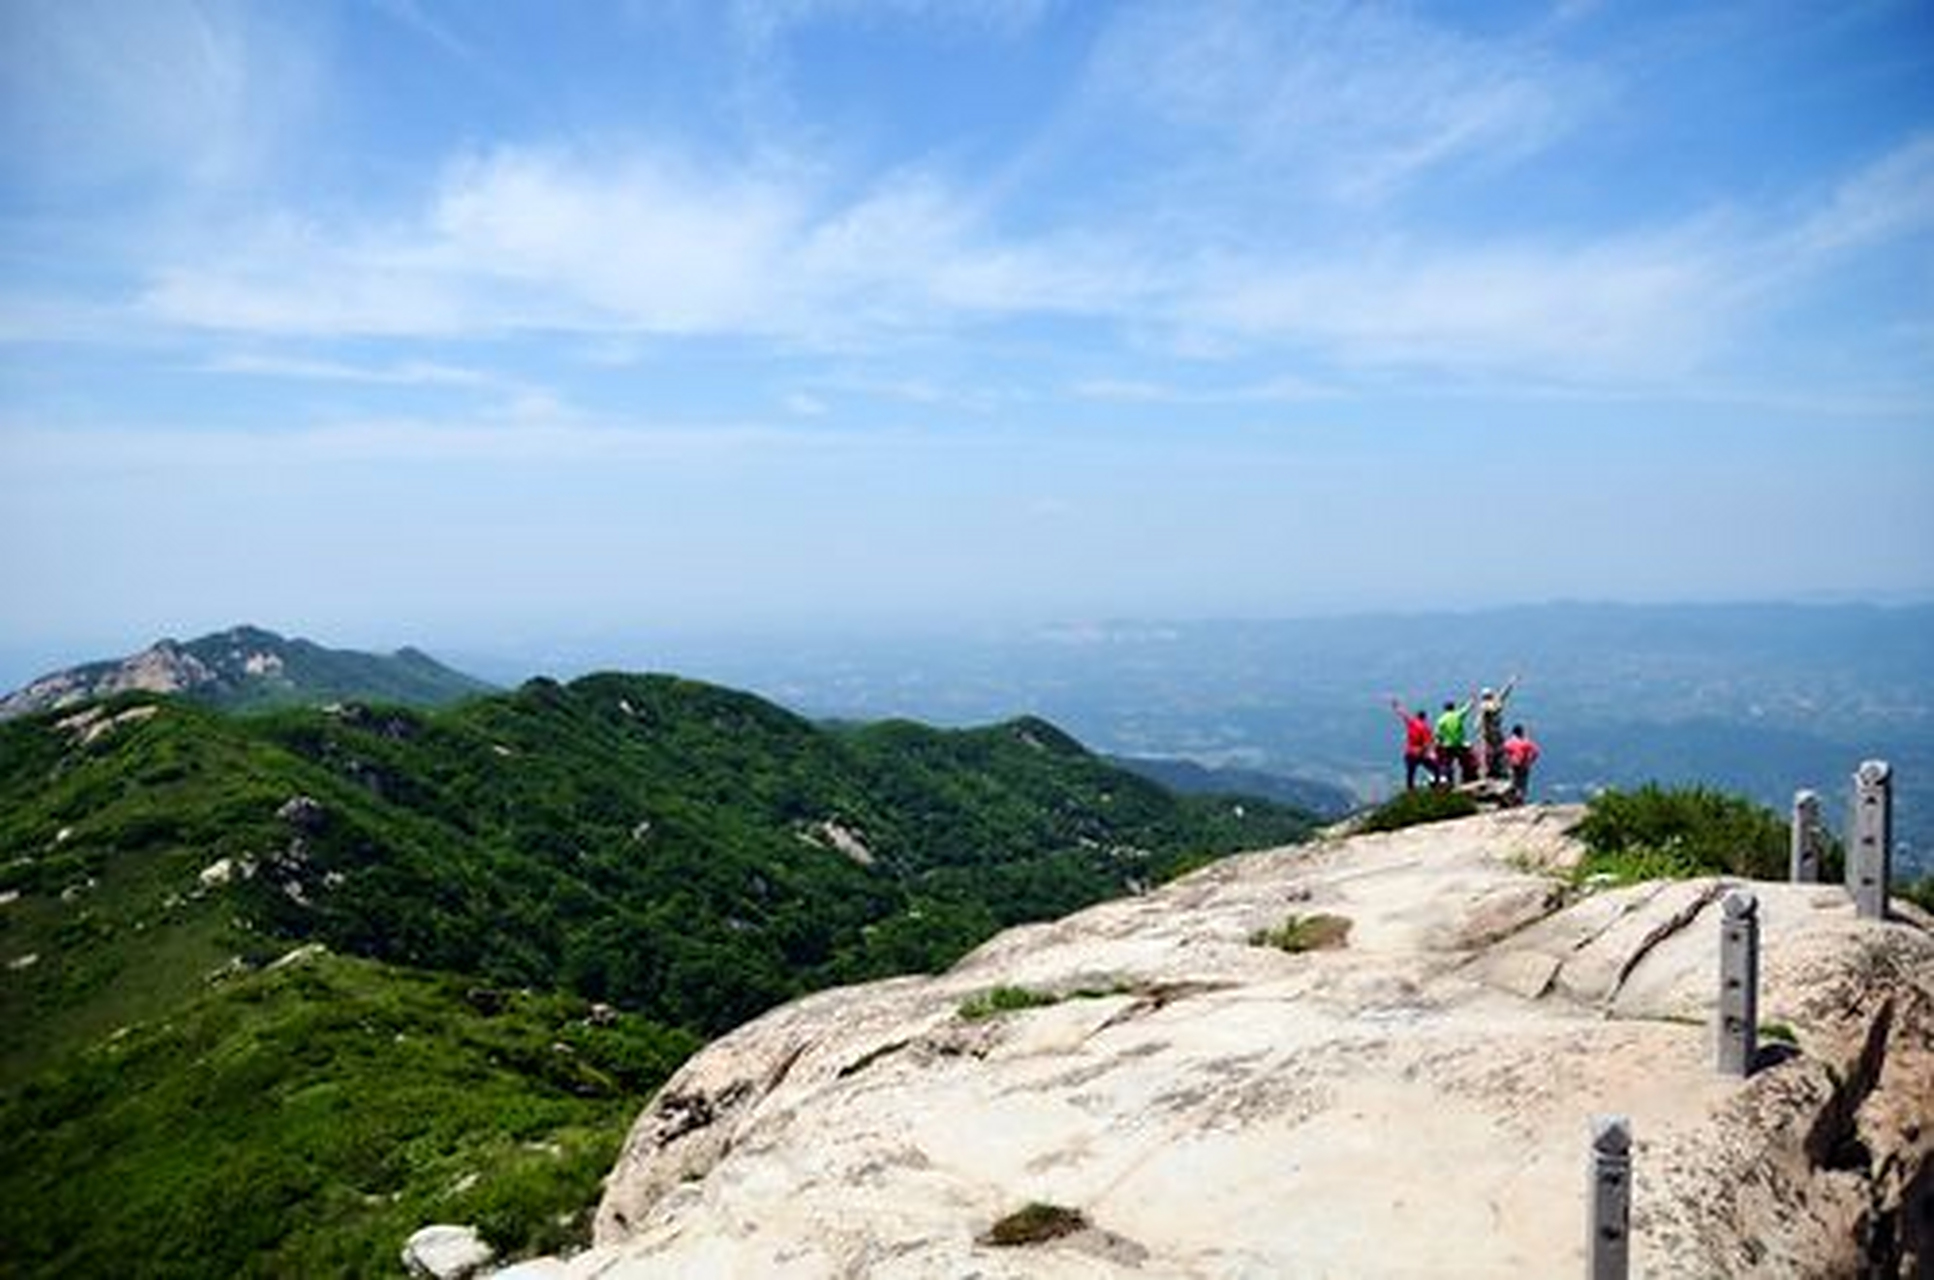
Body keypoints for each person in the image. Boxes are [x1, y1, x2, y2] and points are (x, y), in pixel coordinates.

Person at [1476, 676, 1519, 781]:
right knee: (1492, 752)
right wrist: (1510, 684)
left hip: (1491, 732)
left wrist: (1510, 684)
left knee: (1494, 752)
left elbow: (1503, 695)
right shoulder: (1487, 705)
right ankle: (1491, 771)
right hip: (1490, 732)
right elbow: (1500, 699)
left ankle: (1494, 771)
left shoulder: (1487, 704)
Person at [1388, 698, 1436, 791]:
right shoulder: (1425, 728)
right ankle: (1436, 784)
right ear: (1424, 718)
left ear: (1417, 716)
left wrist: (1396, 706)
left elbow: (1403, 714)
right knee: (1435, 768)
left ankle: (1410, 789)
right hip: (1420, 753)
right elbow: (1428, 743)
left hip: (1409, 752)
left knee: (1411, 772)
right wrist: (1428, 752)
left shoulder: (1412, 722)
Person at [1434, 694, 1477, 786]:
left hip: (1447, 745)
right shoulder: (1457, 715)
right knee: (1464, 763)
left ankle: (1448, 781)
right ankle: (1466, 779)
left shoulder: (1441, 720)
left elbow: (1437, 735)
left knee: (1447, 764)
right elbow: (1467, 709)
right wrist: (1472, 701)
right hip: (1459, 744)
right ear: (1453, 708)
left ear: (1444, 709)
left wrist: (1438, 745)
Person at [1502, 723, 1540, 804]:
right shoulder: (1526, 742)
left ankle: (1514, 799)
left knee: (1514, 782)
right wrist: (1530, 761)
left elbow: (1504, 753)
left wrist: (1507, 761)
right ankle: (1520, 799)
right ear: (1521, 732)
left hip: (1513, 764)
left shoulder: (1509, 742)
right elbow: (1535, 752)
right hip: (1524, 765)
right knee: (1522, 783)